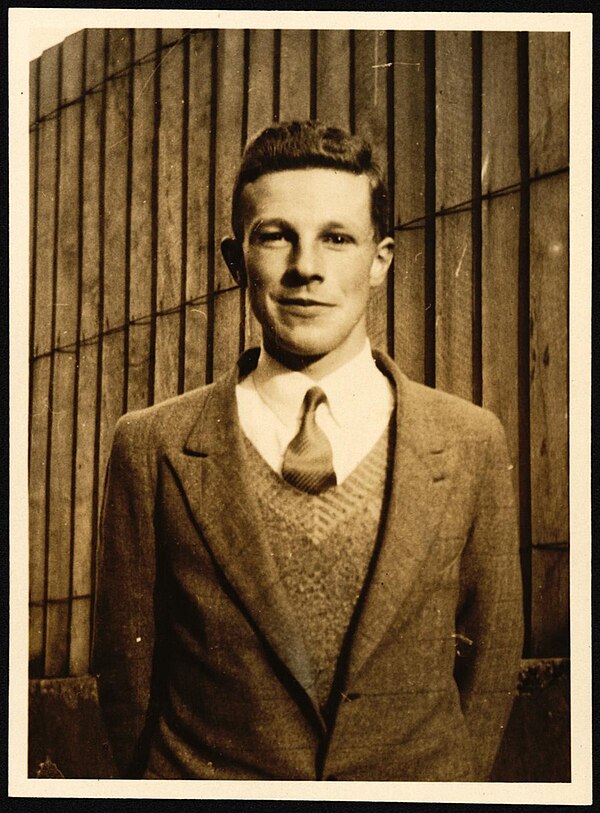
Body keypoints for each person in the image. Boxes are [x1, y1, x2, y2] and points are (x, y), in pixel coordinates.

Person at [92, 120, 523, 781]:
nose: (307, 268)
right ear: (238, 260)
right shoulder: (150, 446)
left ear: (380, 260)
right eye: (276, 236)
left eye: (337, 238)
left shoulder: (470, 442)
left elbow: (490, 665)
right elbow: (128, 677)